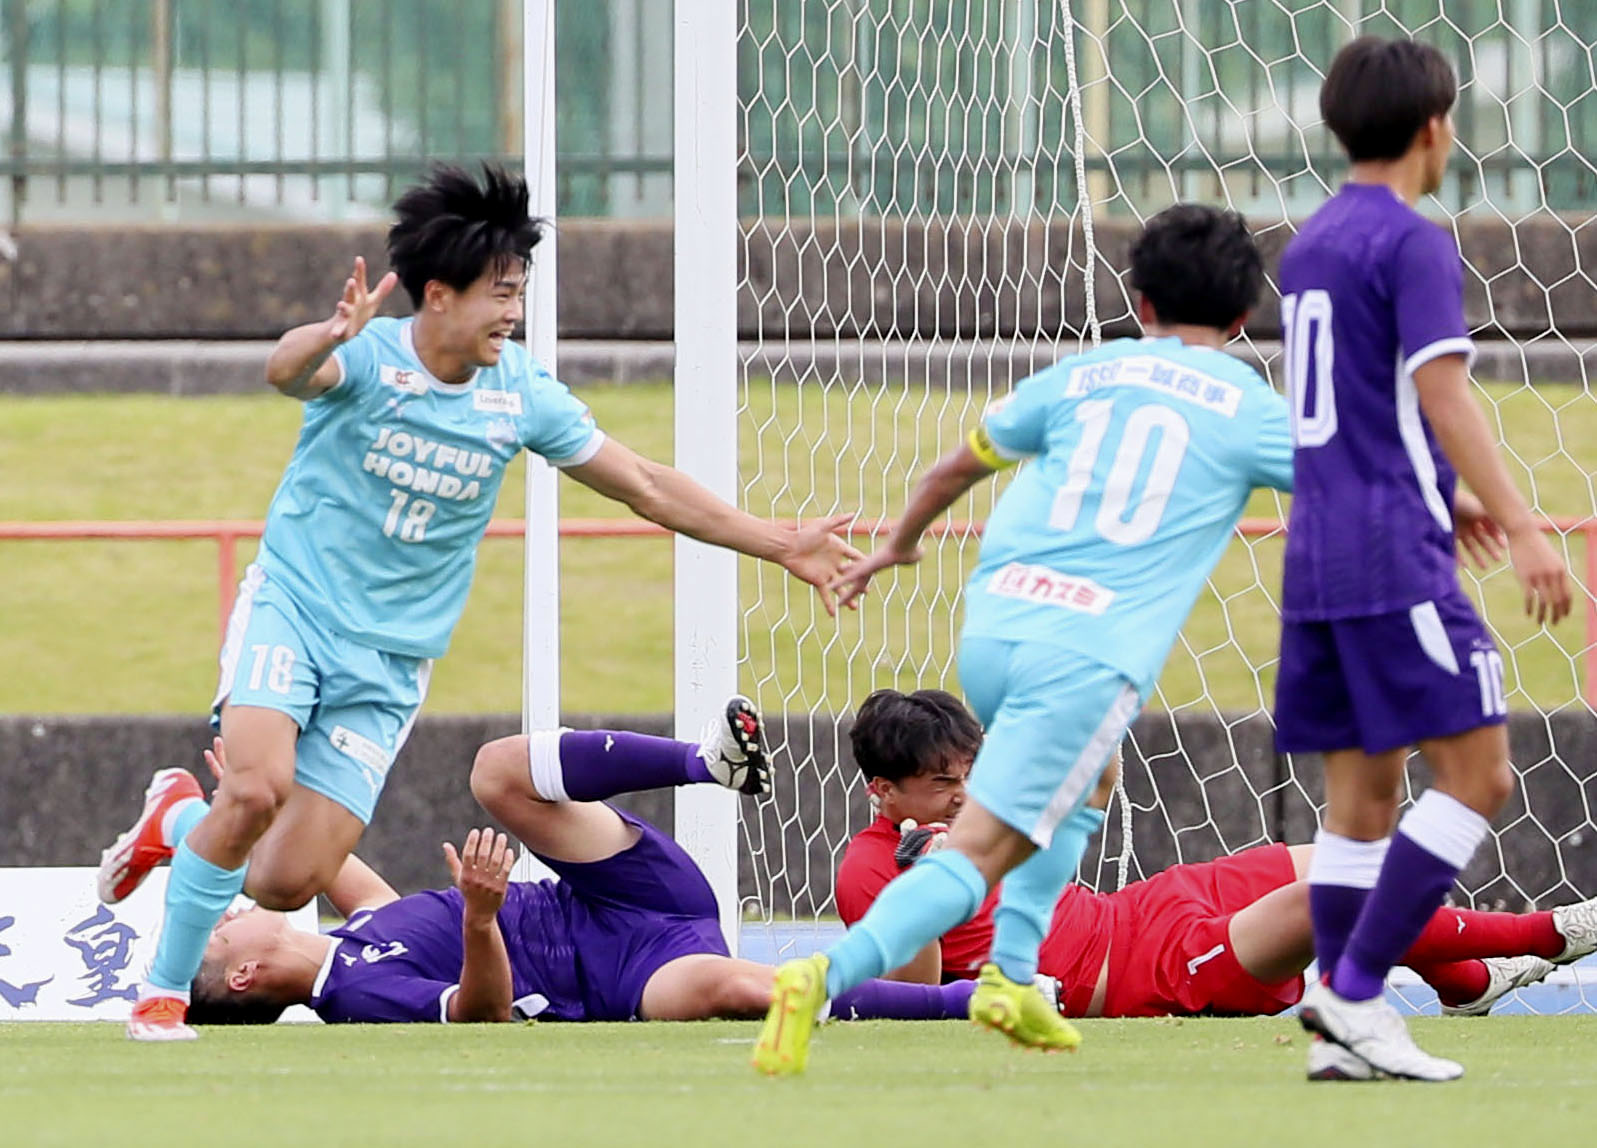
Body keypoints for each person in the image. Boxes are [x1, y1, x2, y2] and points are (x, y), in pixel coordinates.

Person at [96, 162, 861, 1041]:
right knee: (258, 787)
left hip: (389, 662)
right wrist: (325, 335)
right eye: (501, 292)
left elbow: (644, 483)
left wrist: (778, 540)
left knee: (283, 881)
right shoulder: (368, 357)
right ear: (437, 295)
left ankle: (179, 815)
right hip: (296, 611)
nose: (514, 311)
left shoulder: (519, 393)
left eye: (519, 292)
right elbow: (285, 372)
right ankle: (158, 996)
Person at [751, 203, 1298, 1077]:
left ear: (1141, 302)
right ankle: (820, 978)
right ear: (1241, 319)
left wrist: (895, 547)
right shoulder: (1245, 401)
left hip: (997, 629)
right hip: (1087, 654)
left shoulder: (1082, 375)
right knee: (977, 854)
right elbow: (1354, 483)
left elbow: (953, 467)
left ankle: (1011, 976)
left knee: (1077, 794)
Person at [1273, 37, 1573, 1082]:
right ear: (1435, 126)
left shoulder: (1310, 244)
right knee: (1480, 773)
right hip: (1389, 559)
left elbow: (1346, 407)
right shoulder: (1409, 240)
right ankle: (1350, 993)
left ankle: (1339, 1025)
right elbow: (1441, 395)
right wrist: (1524, 523)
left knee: (1361, 798)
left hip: (1316, 555)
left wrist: (1439, 494)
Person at [836, 688, 1597, 1049]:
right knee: (1320, 900)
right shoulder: (869, 873)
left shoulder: (982, 814)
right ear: (882, 790)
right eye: (943, 783)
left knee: (1353, 859)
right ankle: (1542, 937)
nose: (964, 793)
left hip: (1147, 908)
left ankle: (1463, 985)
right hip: (1146, 978)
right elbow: (914, 1003)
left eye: (970, 772)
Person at [185, 705, 975, 1027]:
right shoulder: (354, 993)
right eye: (215, 938)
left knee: (497, 771)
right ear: (248, 974)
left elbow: (320, 860)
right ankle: (965, 1004)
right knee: (731, 987)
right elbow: (477, 1015)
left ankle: (708, 762)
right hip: (623, 974)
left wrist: (251, 804)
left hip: (620, 892)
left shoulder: (355, 938)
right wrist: (481, 917)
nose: (223, 918)